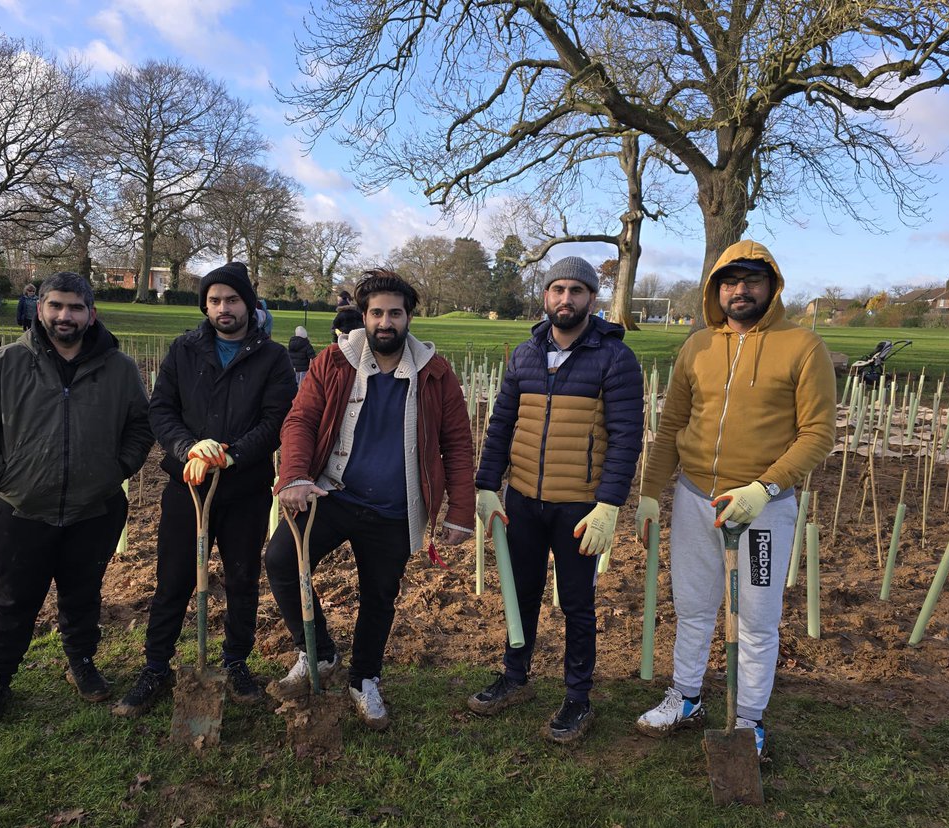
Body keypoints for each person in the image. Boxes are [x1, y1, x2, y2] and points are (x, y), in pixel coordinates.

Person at [633, 240, 836, 759]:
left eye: (750, 280)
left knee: (757, 618)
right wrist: (652, 494)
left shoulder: (802, 346)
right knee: (695, 606)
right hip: (696, 498)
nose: (739, 290)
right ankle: (685, 697)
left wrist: (763, 488)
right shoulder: (697, 345)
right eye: (729, 281)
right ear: (714, 289)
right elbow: (673, 423)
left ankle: (748, 719)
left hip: (762, 507)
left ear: (772, 286)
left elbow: (817, 434)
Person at [264, 269, 475, 730]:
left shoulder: (435, 373)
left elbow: (457, 443)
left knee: (379, 597)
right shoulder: (334, 362)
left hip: (395, 508)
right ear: (364, 317)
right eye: (376, 313)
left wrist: (460, 511)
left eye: (394, 313)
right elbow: (300, 420)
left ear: (409, 318)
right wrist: (295, 476)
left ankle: (365, 679)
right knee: (281, 558)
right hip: (332, 493)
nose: (385, 322)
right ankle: (318, 653)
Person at [0, 272, 154, 728]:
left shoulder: (119, 369)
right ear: (39, 309)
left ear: (91, 315)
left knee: (83, 595)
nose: (66, 316)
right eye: (56, 306)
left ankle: (81, 662)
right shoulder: (1, 363)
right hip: (22, 508)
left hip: (94, 508)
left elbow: (141, 423)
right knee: (12, 600)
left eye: (76, 308)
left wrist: (118, 469)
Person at [469, 256, 644, 743]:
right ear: (545, 296)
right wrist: (487, 485)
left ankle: (577, 697)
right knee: (520, 592)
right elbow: (501, 423)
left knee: (576, 602)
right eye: (556, 289)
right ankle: (514, 675)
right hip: (522, 499)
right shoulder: (525, 354)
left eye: (576, 291)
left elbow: (627, 437)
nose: (565, 299)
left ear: (592, 298)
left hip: (579, 508)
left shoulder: (614, 359)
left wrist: (609, 504)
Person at [113, 261, 296, 716]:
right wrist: (188, 448)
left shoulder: (272, 358)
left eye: (231, 300)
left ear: (249, 304)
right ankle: (156, 666)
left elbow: (276, 421)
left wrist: (232, 455)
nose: (223, 308)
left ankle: (236, 663)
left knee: (240, 579)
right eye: (214, 301)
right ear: (205, 306)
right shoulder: (184, 350)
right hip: (188, 486)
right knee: (173, 579)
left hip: (245, 488)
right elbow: (161, 410)